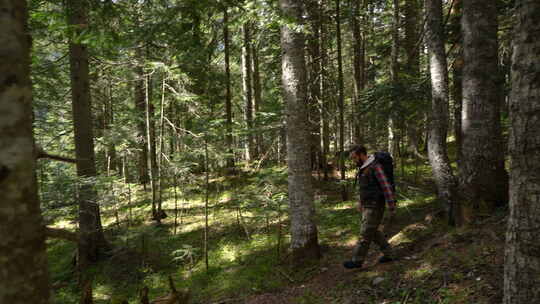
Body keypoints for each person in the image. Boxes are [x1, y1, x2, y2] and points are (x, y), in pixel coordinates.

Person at [343, 145, 396, 269]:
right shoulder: (364, 168)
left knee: (365, 233)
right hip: (367, 205)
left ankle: (357, 260)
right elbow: (364, 188)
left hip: (375, 205)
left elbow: (386, 186)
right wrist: (360, 203)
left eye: (355, 157)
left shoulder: (375, 166)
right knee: (373, 231)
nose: (354, 160)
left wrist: (391, 204)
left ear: (362, 154)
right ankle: (390, 253)